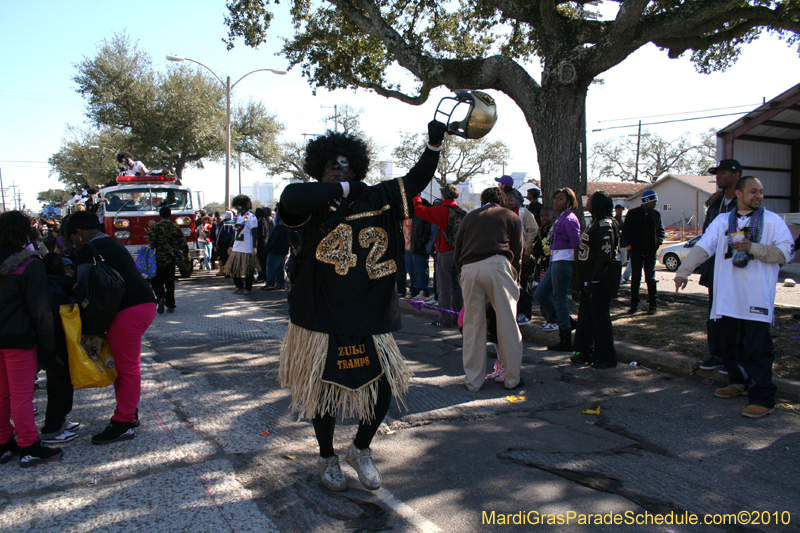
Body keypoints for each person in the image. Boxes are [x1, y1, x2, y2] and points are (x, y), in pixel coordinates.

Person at [278, 121, 445, 492]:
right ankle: (326, 457)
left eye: (345, 164)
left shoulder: (377, 196)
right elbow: (289, 199)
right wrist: (341, 188)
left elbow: (416, 180)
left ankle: (360, 449)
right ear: (319, 170)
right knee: (323, 392)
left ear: (357, 165)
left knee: (383, 386)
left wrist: (433, 145)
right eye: (331, 165)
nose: (339, 168)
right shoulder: (309, 202)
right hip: (320, 314)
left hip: (368, 312)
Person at [674, 176, 794, 418]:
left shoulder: (772, 221)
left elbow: (785, 253)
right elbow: (704, 246)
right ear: (739, 194)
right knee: (729, 345)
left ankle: (763, 398)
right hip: (728, 297)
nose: (758, 196)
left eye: (761, 192)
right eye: (753, 191)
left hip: (757, 297)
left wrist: (753, 248)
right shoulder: (722, 221)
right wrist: (684, 271)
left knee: (758, 349)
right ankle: (737, 382)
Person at [63, 211, 157, 444]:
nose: (71, 243)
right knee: (125, 366)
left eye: (70, 238)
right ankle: (128, 412)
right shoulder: (111, 243)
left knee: (127, 369)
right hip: (142, 304)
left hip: (128, 310)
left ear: (78, 232)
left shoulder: (89, 249)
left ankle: (123, 422)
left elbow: (82, 286)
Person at [0, 211, 61, 467]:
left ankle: (4, 442)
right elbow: (40, 310)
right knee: (21, 396)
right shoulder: (29, 263)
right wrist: (48, 348)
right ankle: (29, 445)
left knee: (2, 395)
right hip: (20, 339)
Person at [455, 187, 524, 392]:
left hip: (469, 268)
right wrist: (515, 276)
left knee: (473, 326)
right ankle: (512, 378)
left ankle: (474, 380)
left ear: (482, 200)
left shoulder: (469, 218)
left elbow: (458, 249)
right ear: (501, 201)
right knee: (507, 323)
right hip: (497, 265)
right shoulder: (510, 216)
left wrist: (464, 274)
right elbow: (517, 250)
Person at [697, 159, 743, 372]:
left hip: (737, 269)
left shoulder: (744, 202)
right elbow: (708, 235)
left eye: (723, 172)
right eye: (717, 173)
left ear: (736, 175)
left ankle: (735, 357)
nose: (718, 177)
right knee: (714, 313)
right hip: (716, 269)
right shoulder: (716, 203)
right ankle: (717, 354)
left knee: (735, 315)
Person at [571, 191, 622, 369]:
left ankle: (606, 357)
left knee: (600, 318)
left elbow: (605, 257)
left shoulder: (605, 225)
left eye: (591, 200)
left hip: (600, 281)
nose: (588, 202)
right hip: (588, 279)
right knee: (585, 316)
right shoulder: (593, 222)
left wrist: (595, 281)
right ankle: (584, 351)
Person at [39, 253, 80, 444]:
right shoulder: (60, 288)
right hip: (60, 343)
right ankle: (52, 428)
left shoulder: (42, 286)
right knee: (59, 386)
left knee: (59, 384)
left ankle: (60, 420)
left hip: (51, 343)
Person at [534, 188, 581, 351]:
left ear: (569, 202)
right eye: (555, 198)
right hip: (555, 261)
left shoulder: (570, 219)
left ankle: (565, 339)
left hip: (564, 262)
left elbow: (576, 244)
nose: (556, 201)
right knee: (540, 293)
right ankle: (567, 321)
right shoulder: (561, 218)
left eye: (560, 199)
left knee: (559, 299)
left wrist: (576, 267)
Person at [412, 184, 464, 328]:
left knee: (444, 288)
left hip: (444, 252)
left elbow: (420, 211)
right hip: (458, 253)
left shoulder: (442, 211)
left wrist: (416, 198)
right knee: (457, 287)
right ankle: (459, 318)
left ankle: (445, 319)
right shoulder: (460, 211)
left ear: (443, 195)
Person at [622, 189, 665, 315]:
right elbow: (626, 231)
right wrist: (632, 244)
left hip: (651, 252)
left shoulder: (656, 215)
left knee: (650, 278)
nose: (655, 204)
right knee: (635, 278)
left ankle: (653, 305)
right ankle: (634, 305)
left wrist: (657, 243)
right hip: (636, 251)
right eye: (653, 201)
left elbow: (661, 231)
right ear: (646, 201)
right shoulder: (633, 214)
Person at [503, 189, 538, 325]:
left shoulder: (524, 213)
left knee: (523, 286)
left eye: (510, 200)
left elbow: (533, 230)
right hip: (507, 257)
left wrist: (527, 252)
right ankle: (512, 312)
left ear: (517, 201)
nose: (508, 202)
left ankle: (524, 313)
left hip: (523, 256)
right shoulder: (502, 214)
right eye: (505, 200)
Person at [148, 207, 190, 314]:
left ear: (160, 215)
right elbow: (183, 244)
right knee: (170, 282)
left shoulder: (155, 228)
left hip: (158, 259)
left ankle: (161, 297)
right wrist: (186, 258)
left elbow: (152, 243)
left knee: (156, 281)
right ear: (170, 214)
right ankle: (170, 305)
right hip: (172, 258)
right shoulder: (175, 227)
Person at [226, 195, 260, 295]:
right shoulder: (237, 217)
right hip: (236, 247)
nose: (238, 208)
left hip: (247, 247)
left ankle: (248, 288)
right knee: (233, 268)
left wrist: (254, 246)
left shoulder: (251, 217)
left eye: (240, 206)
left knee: (248, 269)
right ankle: (239, 285)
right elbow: (234, 233)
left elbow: (254, 233)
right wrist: (231, 245)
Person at [531, 207, 555, 330]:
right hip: (540, 266)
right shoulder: (541, 230)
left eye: (547, 216)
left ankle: (553, 318)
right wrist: (537, 251)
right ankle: (546, 318)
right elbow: (535, 245)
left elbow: (550, 247)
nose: (544, 218)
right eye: (542, 216)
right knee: (540, 291)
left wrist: (542, 251)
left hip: (550, 265)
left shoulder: (553, 230)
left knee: (547, 293)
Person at [261, 207, 291, 291]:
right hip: (282, 250)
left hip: (275, 250)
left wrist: (268, 248)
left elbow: (272, 239)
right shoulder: (286, 226)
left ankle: (270, 283)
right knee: (280, 267)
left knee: (271, 267)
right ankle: (281, 283)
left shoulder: (278, 226)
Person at [614, 205, 631, 283]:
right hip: (617, 244)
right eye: (619, 210)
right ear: (616, 210)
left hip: (623, 243)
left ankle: (619, 275)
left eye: (621, 210)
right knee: (618, 260)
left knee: (623, 259)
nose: (620, 211)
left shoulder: (622, 220)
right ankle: (619, 277)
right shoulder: (614, 220)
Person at [216, 211, 235, 277]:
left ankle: (227, 272)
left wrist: (217, 241)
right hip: (233, 242)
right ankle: (233, 271)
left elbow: (220, 232)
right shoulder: (234, 222)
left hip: (224, 242)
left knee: (225, 257)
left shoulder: (223, 223)